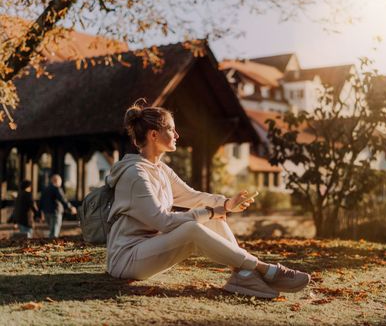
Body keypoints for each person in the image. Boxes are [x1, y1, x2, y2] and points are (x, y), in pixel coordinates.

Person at [106, 100, 310, 298]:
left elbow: (192, 197)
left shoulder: (160, 170)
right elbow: (164, 221)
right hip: (126, 259)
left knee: (210, 218)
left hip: (150, 250)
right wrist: (210, 212)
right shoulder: (135, 174)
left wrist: (226, 204)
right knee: (193, 227)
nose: (177, 135)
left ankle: (243, 275)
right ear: (153, 135)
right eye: (171, 129)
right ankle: (264, 269)